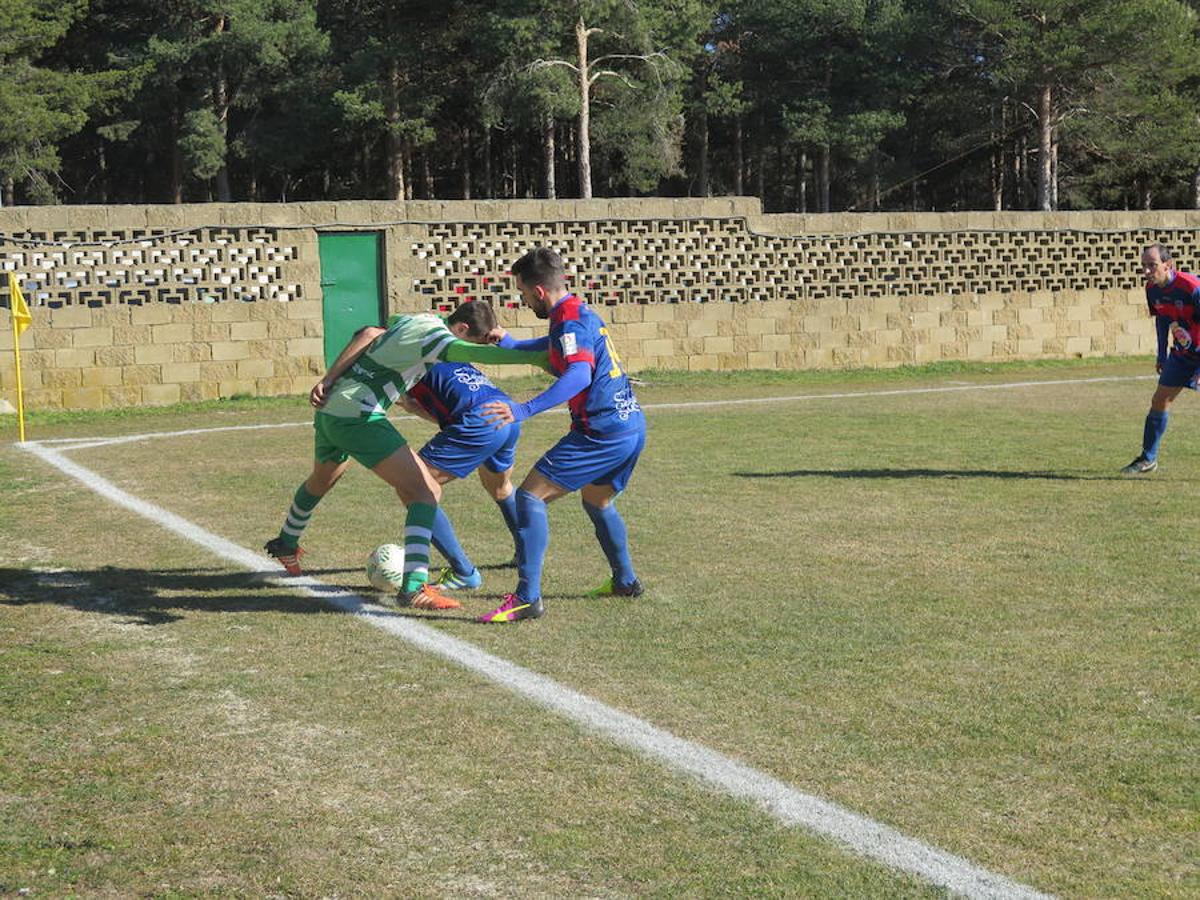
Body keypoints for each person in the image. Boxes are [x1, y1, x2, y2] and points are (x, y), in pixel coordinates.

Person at [263, 301, 546, 611]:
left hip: (332, 409)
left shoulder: (415, 318)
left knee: (322, 479)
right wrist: (541, 355)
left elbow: (370, 331)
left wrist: (329, 379)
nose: (464, 348)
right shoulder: (439, 339)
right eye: (469, 339)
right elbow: (477, 354)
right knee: (425, 492)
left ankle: (286, 543)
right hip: (358, 415)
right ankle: (413, 588)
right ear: (462, 329)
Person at [475, 247, 647, 623]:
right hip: (630, 425)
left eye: (521, 294)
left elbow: (579, 375)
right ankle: (625, 581)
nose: (521, 301)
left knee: (529, 497)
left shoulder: (568, 322)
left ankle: (527, 597)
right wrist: (508, 341)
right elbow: (550, 348)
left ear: (537, 292)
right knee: (598, 501)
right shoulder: (578, 313)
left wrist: (522, 410)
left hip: (600, 432)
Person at [397, 360, 524, 591]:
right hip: (506, 413)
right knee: (500, 487)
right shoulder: (452, 361)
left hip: (481, 420)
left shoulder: (408, 368)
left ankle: (463, 571)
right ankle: (526, 553)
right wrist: (414, 408)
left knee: (414, 487)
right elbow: (451, 417)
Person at [1121, 242, 1200, 475]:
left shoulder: (1191, 287)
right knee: (1159, 400)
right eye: (1143, 265)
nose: (1146, 271)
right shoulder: (1152, 289)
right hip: (1182, 355)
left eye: (1152, 265)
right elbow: (1162, 319)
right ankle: (1148, 459)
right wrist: (1161, 354)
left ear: (1168, 265)